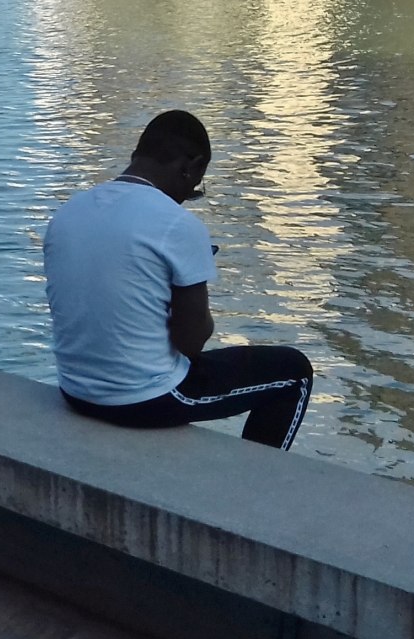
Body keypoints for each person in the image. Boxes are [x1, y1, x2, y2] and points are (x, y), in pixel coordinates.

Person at [43, 110, 313, 450]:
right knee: (294, 373)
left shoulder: (70, 211)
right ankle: (255, 477)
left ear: (137, 155)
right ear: (192, 167)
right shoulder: (176, 224)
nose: (188, 194)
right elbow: (191, 341)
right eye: (196, 184)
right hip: (142, 399)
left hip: (75, 391)